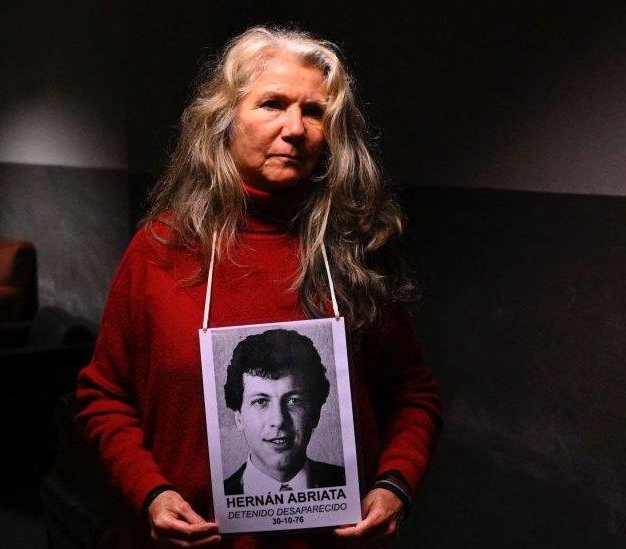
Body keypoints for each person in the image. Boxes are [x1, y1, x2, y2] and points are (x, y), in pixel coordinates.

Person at [77, 26, 441, 548]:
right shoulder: (161, 247)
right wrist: (150, 491)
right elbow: (103, 394)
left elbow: (413, 393)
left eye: (314, 112)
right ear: (224, 122)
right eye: (272, 104)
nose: (296, 128)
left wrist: (395, 483)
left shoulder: (353, 249)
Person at [222, 329, 345, 495]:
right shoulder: (217, 501)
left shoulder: (348, 484)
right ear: (239, 418)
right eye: (261, 401)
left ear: (316, 413)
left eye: (293, 401)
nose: (279, 420)